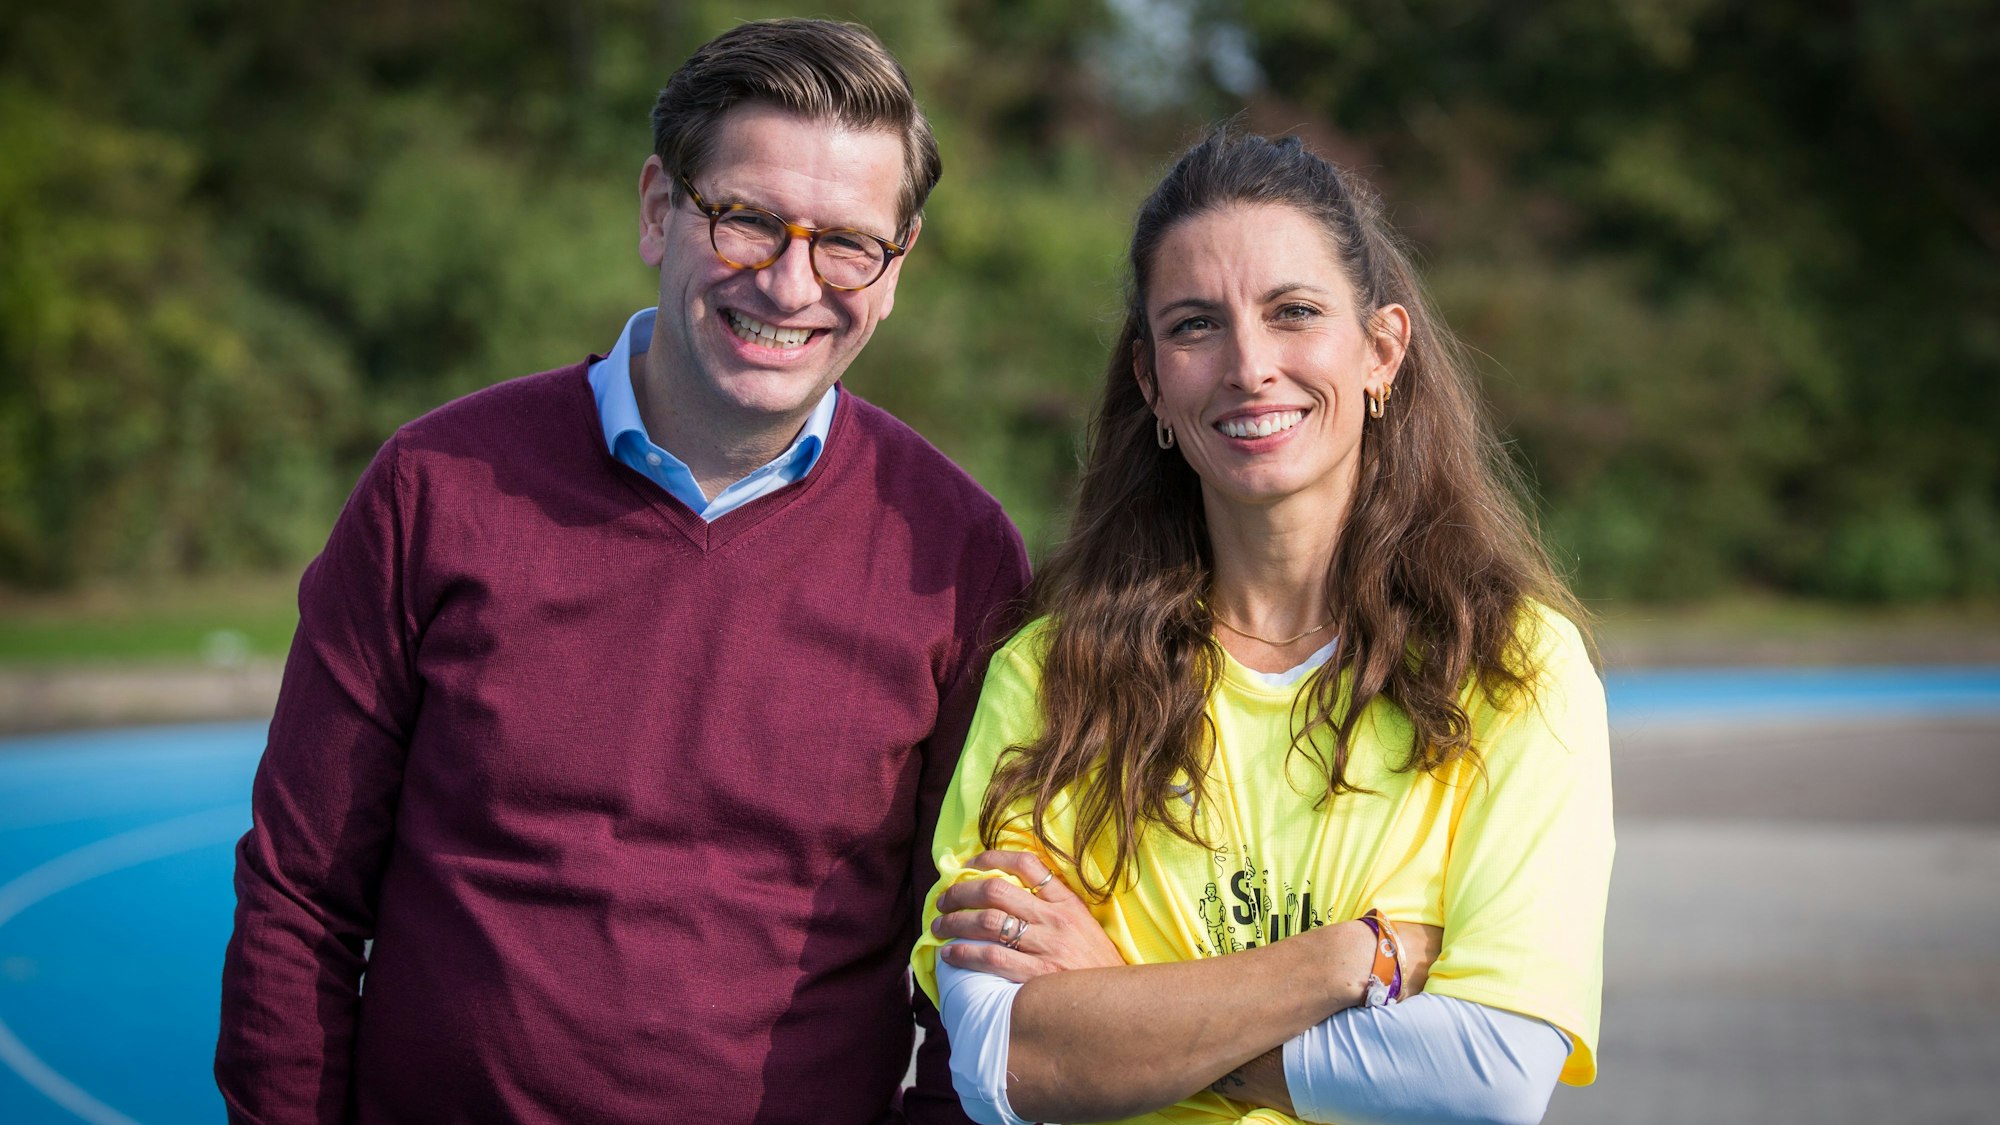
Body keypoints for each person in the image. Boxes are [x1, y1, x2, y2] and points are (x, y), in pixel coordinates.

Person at [216, 19, 1029, 1124]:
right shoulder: (436, 486)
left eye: (846, 243)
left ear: (895, 268)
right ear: (659, 208)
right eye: (745, 220)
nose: (791, 285)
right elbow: (299, 898)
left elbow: (974, 962)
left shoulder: (959, 556)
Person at [911, 128, 1614, 1125]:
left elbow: (1487, 1075)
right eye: (1195, 326)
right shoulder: (1051, 674)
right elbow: (1004, 1066)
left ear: (1380, 352)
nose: (1249, 366)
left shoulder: (1512, 669)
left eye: (1292, 314)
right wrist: (1349, 959)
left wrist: (1128, 1015)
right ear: (1151, 381)